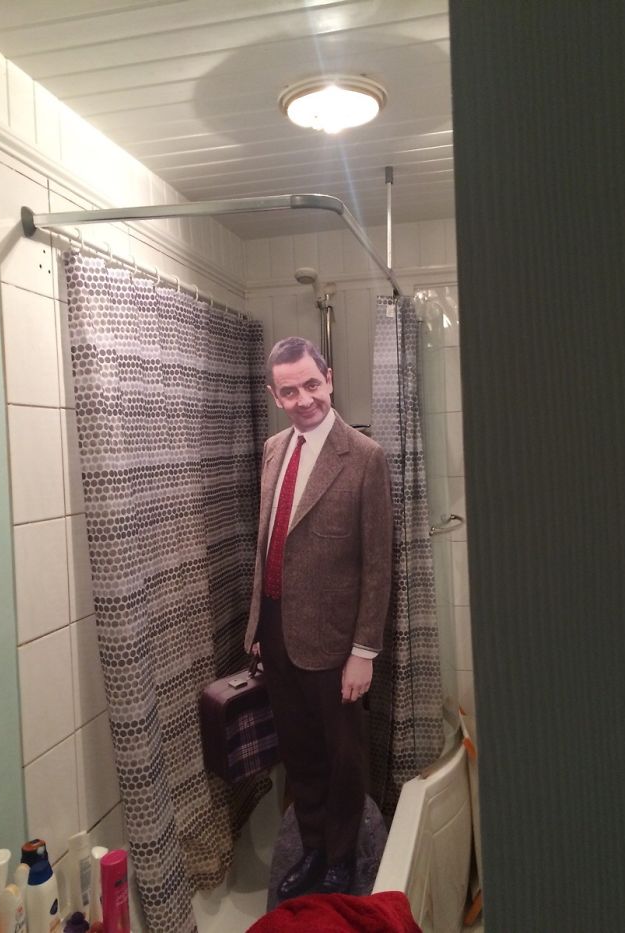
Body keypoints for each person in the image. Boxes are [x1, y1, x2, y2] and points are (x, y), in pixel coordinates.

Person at [244, 336, 393, 899]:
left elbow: (377, 565)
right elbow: (267, 543)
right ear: (274, 395)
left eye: (311, 384)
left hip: (335, 643)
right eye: (290, 391)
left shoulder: (364, 457)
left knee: (343, 757)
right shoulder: (272, 449)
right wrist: (259, 627)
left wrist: (363, 653)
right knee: (299, 750)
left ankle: (340, 854)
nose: (304, 399)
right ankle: (310, 847)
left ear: (328, 379)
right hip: (277, 633)